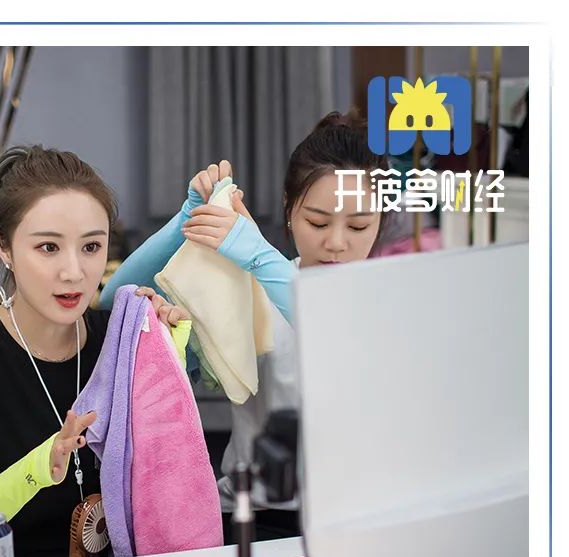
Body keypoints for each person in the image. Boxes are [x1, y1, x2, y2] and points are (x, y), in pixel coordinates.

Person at [101, 111, 390, 518]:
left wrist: (257, 254)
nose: (337, 243)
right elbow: (113, 303)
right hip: (249, 517)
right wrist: (187, 220)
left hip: (353, 521)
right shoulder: (255, 289)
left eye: (358, 226)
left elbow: (330, 326)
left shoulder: (391, 302)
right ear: (289, 208)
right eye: (318, 222)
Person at [0, 145, 192, 557]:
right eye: (49, 247)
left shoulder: (119, 342)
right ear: (4, 247)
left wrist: (163, 353)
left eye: (91, 247)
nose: (74, 272)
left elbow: (166, 480)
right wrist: (39, 467)